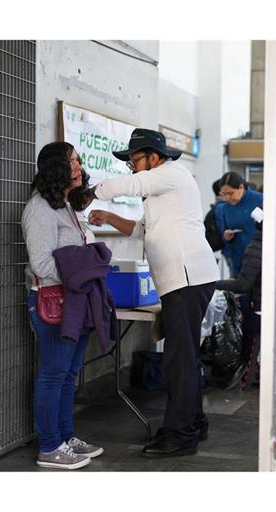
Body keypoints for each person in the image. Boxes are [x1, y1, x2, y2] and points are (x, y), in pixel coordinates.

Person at [85, 128, 219, 458]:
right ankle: (193, 423)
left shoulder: (169, 174)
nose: (132, 167)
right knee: (183, 356)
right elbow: (142, 230)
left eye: (134, 160)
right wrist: (109, 216)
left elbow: (133, 185)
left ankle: (181, 435)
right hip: (185, 279)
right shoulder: (164, 191)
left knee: (179, 359)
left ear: (154, 157)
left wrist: (89, 193)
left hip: (186, 279)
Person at [21, 141, 104, 470]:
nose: (79, 167)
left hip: (76, 299)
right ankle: (49, 446)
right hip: (53, 299)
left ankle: (66, 438)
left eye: (79, 160)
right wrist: (84, 271)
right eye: (73, 161)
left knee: (70, 373)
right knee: (53, 374)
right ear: (57, 166)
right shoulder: (39, 208)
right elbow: (42, 263)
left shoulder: (67, 205)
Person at [215, 207, 263, 390]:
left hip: (259, 309)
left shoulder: (256, 248)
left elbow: (243, 285)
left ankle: (246, 375)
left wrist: (214, 285)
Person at [217, 172, 264, 277]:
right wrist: (227, 237)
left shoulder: (260, 200)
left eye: (231, 193)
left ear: (241, 187)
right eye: (224, 194)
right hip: (239, 260)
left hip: (260, 259)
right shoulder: (225, 208)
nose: (227, 198)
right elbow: (225, 233)